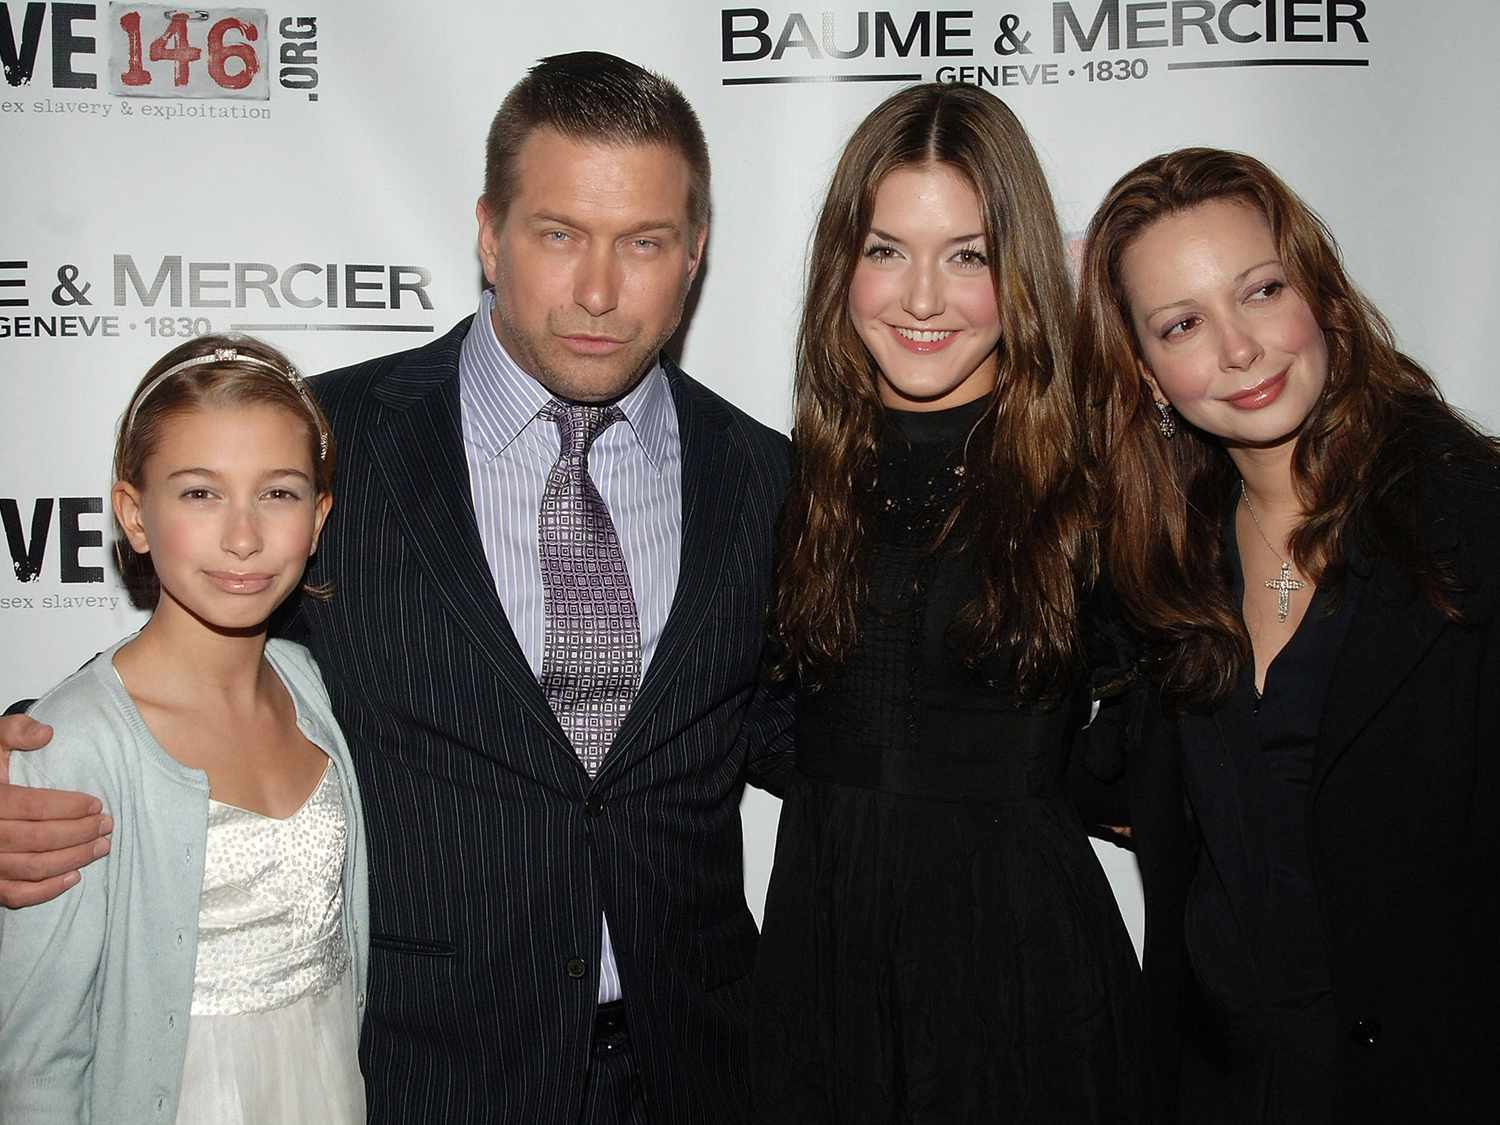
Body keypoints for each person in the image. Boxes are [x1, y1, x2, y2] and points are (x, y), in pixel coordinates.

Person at [0, 52, 793, 1125]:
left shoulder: (764, 477)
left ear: (694, 254)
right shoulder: (331, 448)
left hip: (700, 1069)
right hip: (423, 1073)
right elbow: (193, 654)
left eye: (643, 243)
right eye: (558, 234)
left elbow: (821, 725)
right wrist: (27, 749)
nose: (600, 291)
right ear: (488, 233)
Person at [1074, 146, 1500, 1121]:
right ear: (1143, 372)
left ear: (1322, 294)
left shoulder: (1472, 526)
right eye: (1182, 323)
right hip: (1221, 1090)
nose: (1239, 350)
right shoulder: (1158, 565)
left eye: (1260, 291)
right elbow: (1080, 757)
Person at [750, 82, 1144, 1122]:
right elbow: (738, 710)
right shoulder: (779, 485)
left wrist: (1026, 780)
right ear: (843, 265)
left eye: (968, 254)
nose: (922, 298)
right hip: (821, 959)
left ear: (1018, 271)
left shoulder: (1092, 490)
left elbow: (1174, 726)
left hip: (1028, 979)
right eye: (886, 250)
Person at [0, 335, 369, 1123]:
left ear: (317, 519)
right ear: (134, 515)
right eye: (200, 493)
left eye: (278, 493)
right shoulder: (74, 745)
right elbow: (35, 1059)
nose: (243, 536)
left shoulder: (312, 684)